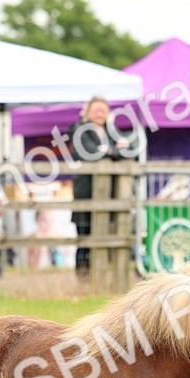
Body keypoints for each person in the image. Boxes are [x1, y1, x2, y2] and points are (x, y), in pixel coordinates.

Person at [69, 97, 127, 281]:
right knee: (84, 238)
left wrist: (107, 149)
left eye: (103, 110)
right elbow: (87, 152)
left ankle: (100, 277)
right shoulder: (79, 129)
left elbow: (128, 149)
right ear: (88, 112)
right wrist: (112, 150)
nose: (100, 114)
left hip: (109, 196)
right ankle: (83, 278)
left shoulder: (111, 130)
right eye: (96, 110)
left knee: (106, 237)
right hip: (86, 192)